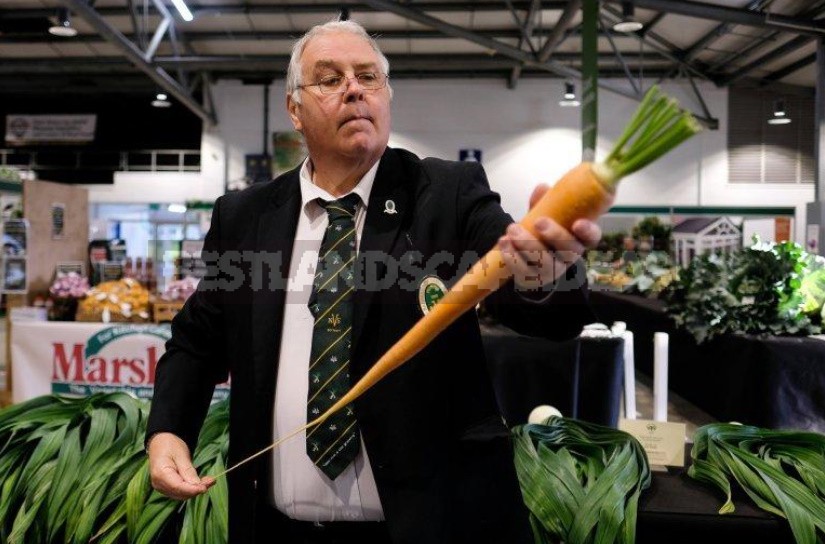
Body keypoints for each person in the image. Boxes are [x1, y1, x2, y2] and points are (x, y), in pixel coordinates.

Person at [146, 19, 601, 544]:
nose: (354, 88)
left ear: (387, 98)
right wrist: (167, 431)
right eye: (329, 77)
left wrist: (544, 275)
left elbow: (540, 307)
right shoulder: (245, 217)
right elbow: (197, 341)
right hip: (277, 529)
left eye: (368, 76)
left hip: (427, 525)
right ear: (294, 109)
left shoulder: (449, 194)